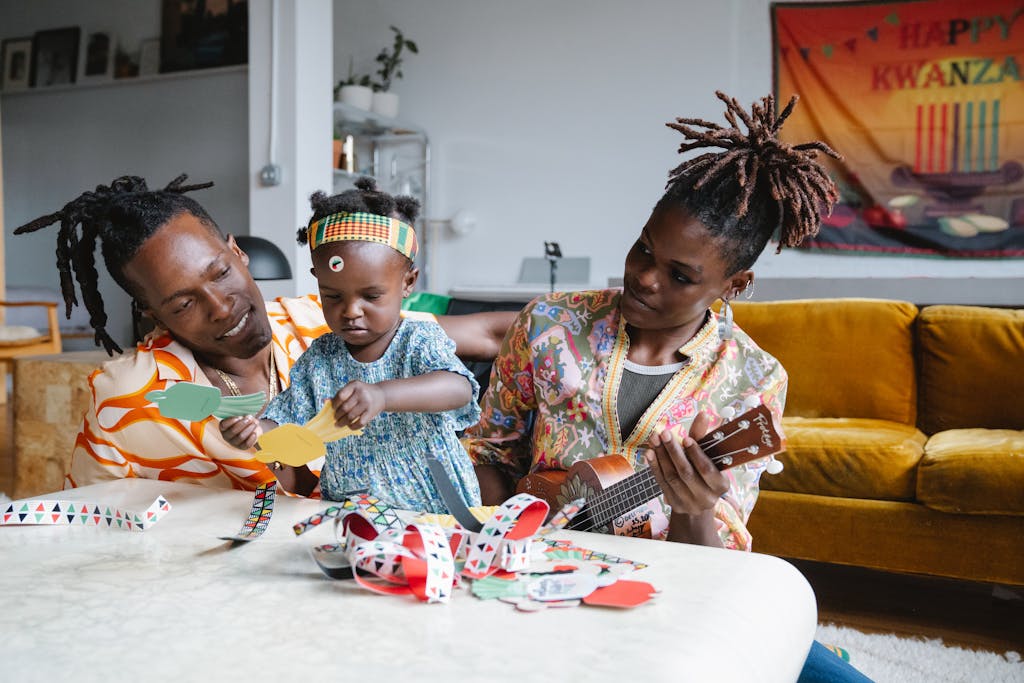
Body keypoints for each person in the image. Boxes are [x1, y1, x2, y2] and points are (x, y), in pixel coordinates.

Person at [462, 91, 870, 681]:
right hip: (532, 575)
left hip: (674, 595)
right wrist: (501, 537)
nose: (643, 278)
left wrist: (696, 508)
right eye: (643, 248)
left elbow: (713, 563)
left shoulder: (752, 378)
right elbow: (488, 451)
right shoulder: (550, 324)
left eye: (680, 275)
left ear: (735, 282)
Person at [14, 174, 512, 492]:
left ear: (238, 252)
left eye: (221, 273)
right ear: (149, 312)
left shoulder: (324, 323)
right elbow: (92, 516)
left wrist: (585, 318)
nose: (221, 307)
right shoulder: (130, 398)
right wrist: (259, 439)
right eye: (184, 303)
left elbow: (491, 335)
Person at [219, 181, 482, 513]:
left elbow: (458, 388)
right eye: (332, 296)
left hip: (435, 505)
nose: (351, 311)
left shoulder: (418, 340)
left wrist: (382, 395)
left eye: (371, 296)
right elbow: (289, 419)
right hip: (351, 509)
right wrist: (256, 430)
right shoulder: (320, 359)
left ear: (408, 283)